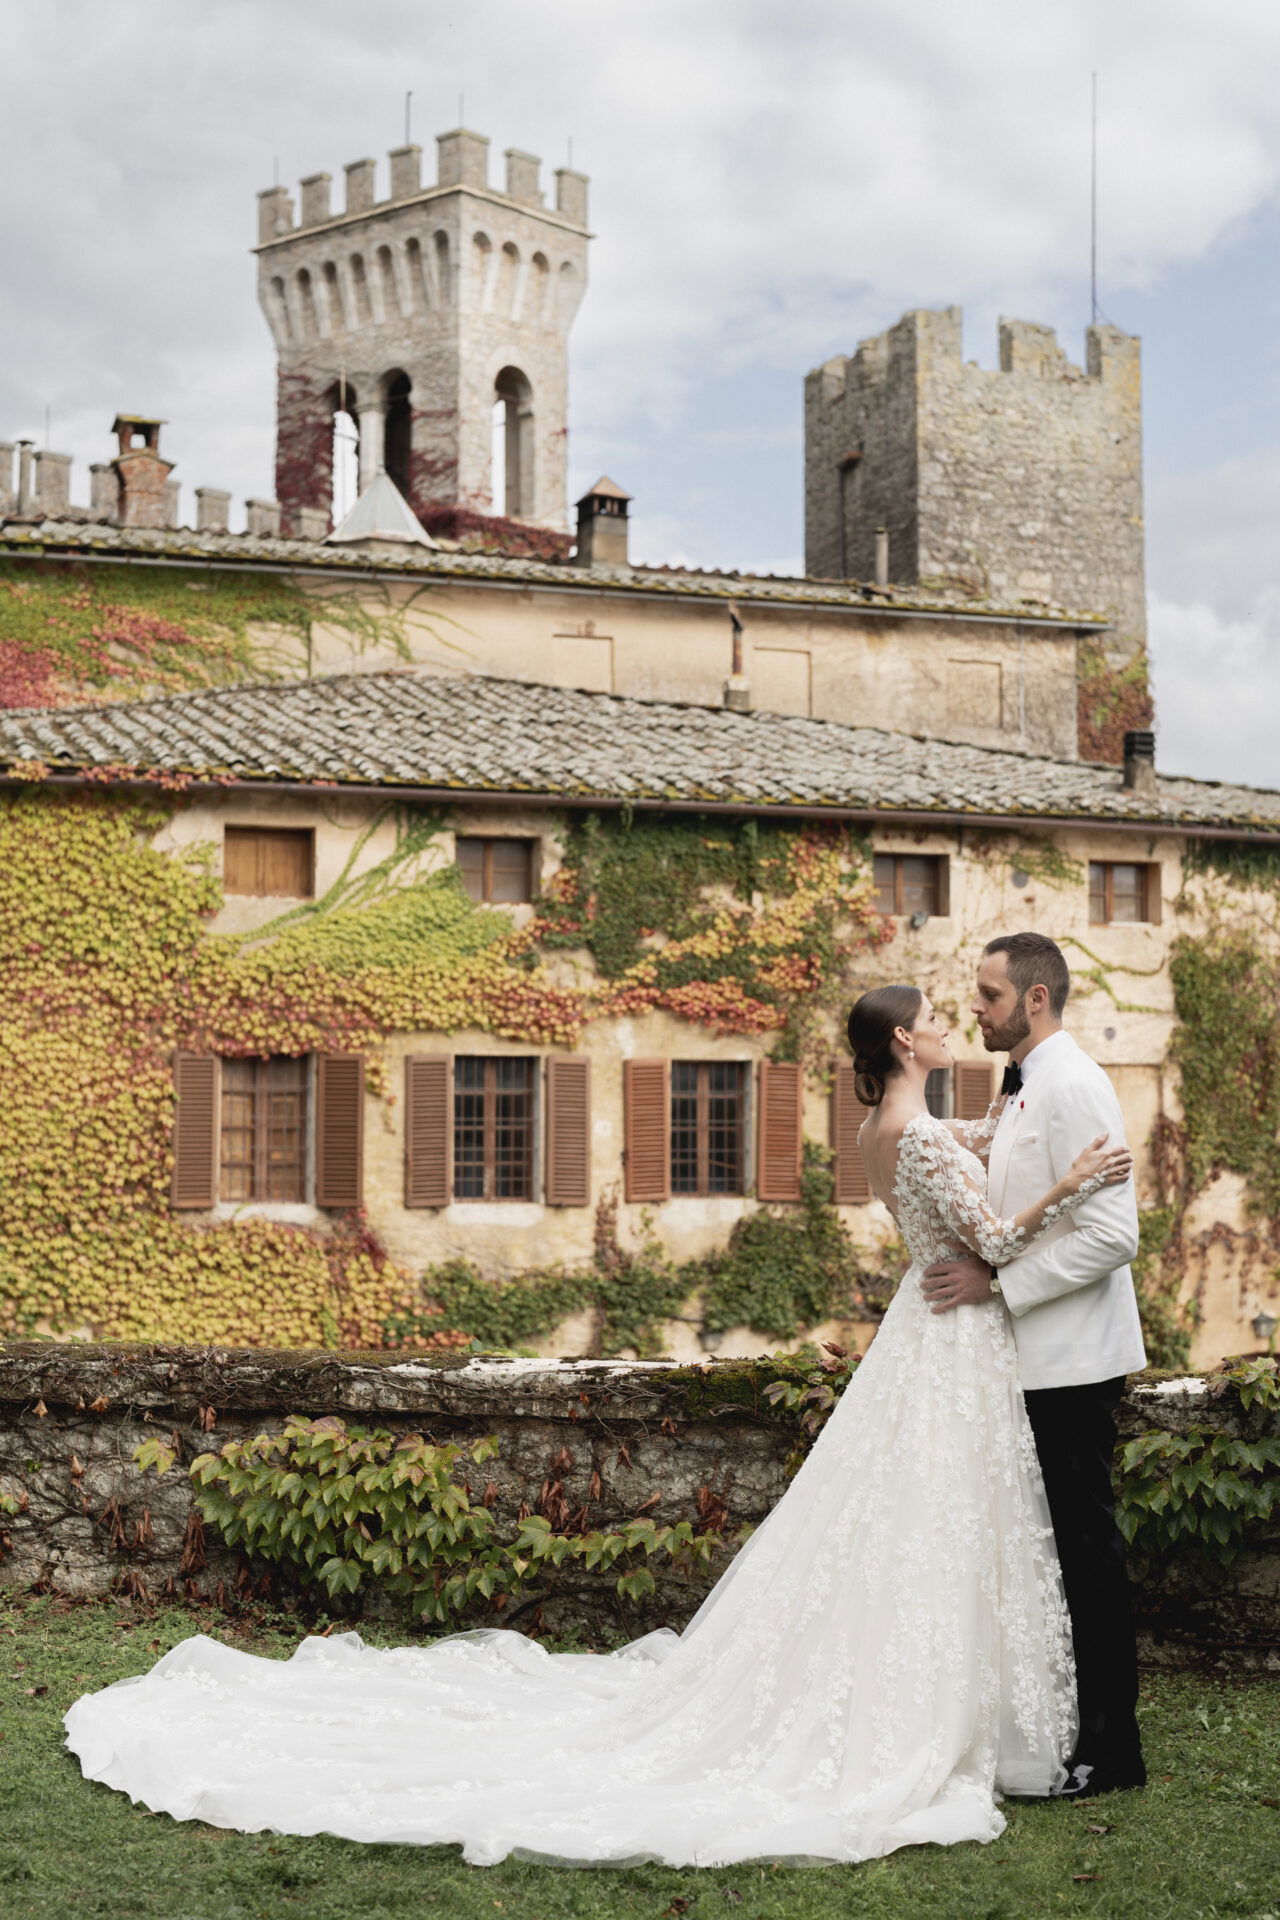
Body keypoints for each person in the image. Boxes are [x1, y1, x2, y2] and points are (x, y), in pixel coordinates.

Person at [64, 984, 1132, 1870]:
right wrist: (1073, 1179)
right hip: (948, 1339)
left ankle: (929, 1699)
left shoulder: (880, 1129)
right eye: (936, 1013)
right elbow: (987, 1230)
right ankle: (927, 1716)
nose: (951, 1020)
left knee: (910, 1521)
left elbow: (951, 1156)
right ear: (905, 1039)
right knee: (934, 1519)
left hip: (918, 1331)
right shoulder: (926, 1133)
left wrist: (1001, 1132)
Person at [921, 933, 1147, 1798]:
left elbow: (1112, 1236)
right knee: (1052, 1551)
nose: (976, 1009)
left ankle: (1112, 1750)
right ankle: (1064, 1726)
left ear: (1035, 1000)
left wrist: (997, 1287)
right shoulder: (1022, 1084)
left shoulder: (1077, 1084)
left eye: (987, 996)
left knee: (1087, 1550)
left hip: (1073, 1359)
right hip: (1031, 1360)